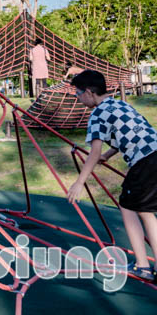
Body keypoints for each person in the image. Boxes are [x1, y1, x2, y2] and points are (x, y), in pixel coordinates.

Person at [67, 69, 157, 281]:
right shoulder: (119, 104)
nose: (78, 98)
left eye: (78, 94)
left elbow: (93, 151)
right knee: (145, 211)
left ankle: (143, 266)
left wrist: (80, 182)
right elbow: (130, 131)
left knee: (127, 206)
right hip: (154, 153)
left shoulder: (97, 114)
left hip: (145, 161)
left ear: (89, 92)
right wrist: (108, 155)